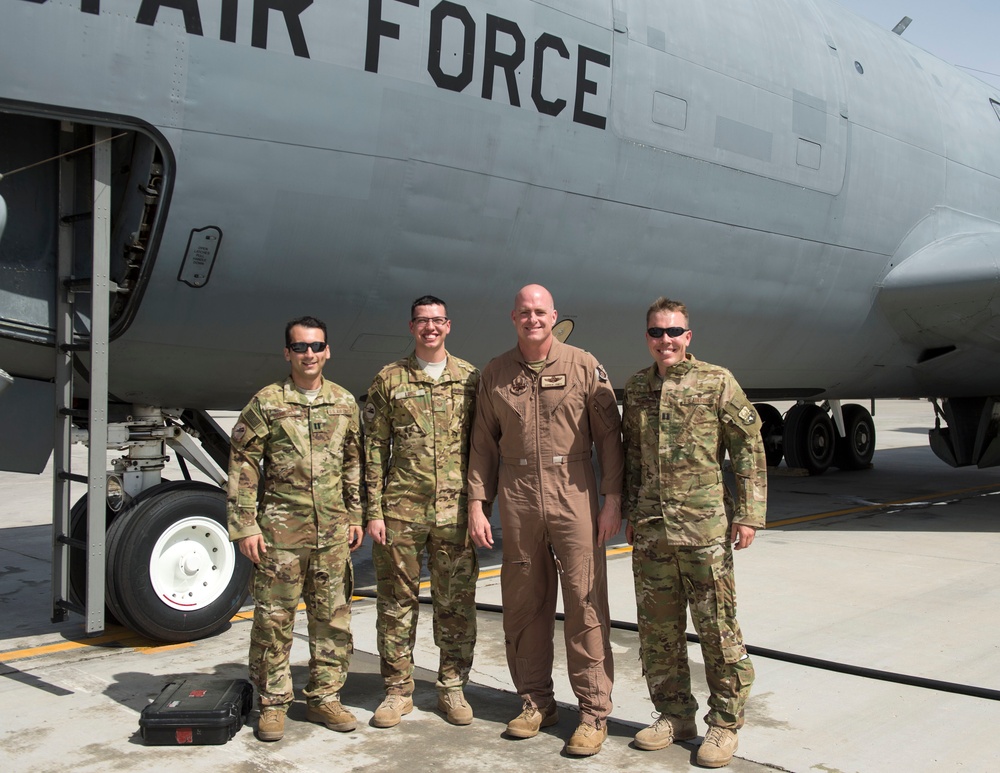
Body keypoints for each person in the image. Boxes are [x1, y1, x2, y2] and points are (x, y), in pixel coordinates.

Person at [467, 284, 623, 757]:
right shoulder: (495, 373)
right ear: (513, 318)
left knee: (584, 600)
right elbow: (482, 444)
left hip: (572, 488)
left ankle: (594, 712)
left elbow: (610, 436)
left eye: (540, 312)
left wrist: (612, 498)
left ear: (553, 316)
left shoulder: (582, 365)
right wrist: (477, 502)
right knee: (523, 603)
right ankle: (536, 702)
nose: (532, 319)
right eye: (524, 312)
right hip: (517, 496)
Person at [622, 297, 766, 768]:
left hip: (704, 528)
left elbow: (747, 447)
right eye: (656, 332)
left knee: (717, 628)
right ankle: (674, 714)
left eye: (674, 331)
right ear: (647, 337)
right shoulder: (637, 389)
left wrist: (748, 514)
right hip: (652, 530)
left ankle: (724, 724)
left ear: (689, 336)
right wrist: (630, 511)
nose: (665, 340)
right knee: (658, 631)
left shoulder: (716, 381)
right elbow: (632, 462)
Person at [226, 316, 364, 743]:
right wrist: (245, 523)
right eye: (300, 348)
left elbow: (353, 463)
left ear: (327, 351)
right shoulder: (267, 402)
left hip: (332, 534)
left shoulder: (343, 402)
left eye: (316, 346)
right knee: (274, 620)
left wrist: (356, 515)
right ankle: (272, 703)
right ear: (288, 353)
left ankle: (325, 697)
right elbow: (244, 462)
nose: (309, 355)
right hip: (281, 534)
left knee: (332, 620)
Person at [364, 295, 480, 728]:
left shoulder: (470, 378)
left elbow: (482, 448)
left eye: (437, 321)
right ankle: (397, 691)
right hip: (401, 511)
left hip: (455, 514)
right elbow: (373, 447)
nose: (430, 328)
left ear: (448, 325)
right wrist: (373, 511)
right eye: (422, 321)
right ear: (411, 327)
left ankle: (452, 689)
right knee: (396, 604)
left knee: (456, 605)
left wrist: (478, 506)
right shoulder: (389, 379)